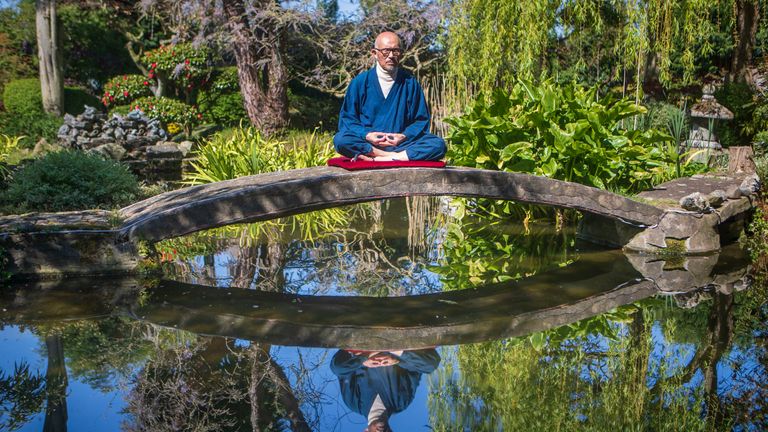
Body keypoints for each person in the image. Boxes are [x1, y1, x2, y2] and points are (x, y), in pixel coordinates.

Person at [333, 31, 446, 162]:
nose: (391, 56)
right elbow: (348, 119)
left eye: (396, 51)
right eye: (386, 51)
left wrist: (403, 136)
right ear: (374, 53)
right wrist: (367, 135)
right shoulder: (359, 82)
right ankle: (390, 157)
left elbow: (420, 120)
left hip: (401, 145)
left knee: (438, 144)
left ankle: (381, 158)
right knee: (341, 139)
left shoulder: (410, 83)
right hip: (369, 145)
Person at [331, 348, 441, 431]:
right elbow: (416, 370)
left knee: (336, 367)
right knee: (430, 366)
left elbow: (339, 368)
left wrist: (363, 360)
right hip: (397, 347)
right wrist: (398, 359)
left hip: (363, 348)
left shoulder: (353, 403)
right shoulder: (402, 403)